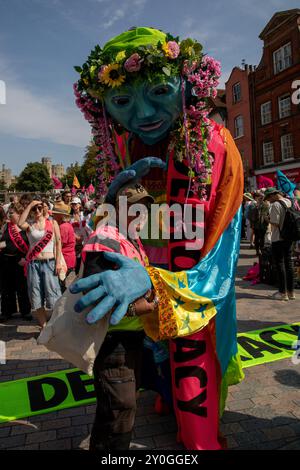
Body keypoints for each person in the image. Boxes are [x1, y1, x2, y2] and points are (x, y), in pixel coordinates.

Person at [70, 27, 244, 450]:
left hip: (187, 280)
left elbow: (213, 257)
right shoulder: (123, 145)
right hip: (143, 281)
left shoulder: (211, 145)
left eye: (160, 91)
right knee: (155, 364)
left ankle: (200, 441)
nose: (144, 113)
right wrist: (111, 208)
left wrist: (154, 280)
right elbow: (121, 223)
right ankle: (166, 399)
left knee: (192, 353)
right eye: (123, 101)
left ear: (187, 85)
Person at [81, 182, 160, 451]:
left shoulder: (130, 239)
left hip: (134, 338)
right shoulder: (105, 238)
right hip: (113, 341)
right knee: (121, 409)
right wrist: (138, 308)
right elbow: (94, 299)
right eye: (136, 209)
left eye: (146, 210)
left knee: (114, 409)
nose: (143, 216)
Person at [18, 199, 63, 328]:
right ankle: (44, 327)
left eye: (39, 208)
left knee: (53, 295)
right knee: (36, 295)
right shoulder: (29, 225)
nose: (37, 211)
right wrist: (31, 204)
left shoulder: (52, 223)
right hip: (34, 264)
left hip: (50, 263)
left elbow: (59, 243)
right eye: (34, 209)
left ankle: (56, 325)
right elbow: (20, 223)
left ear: (44, 208)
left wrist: (58, 262)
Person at [0, 203, 32, 321]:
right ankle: (7, 311)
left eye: (12, 212)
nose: (9, 214)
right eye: (9, 212)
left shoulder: (26, 227)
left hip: (20, 261)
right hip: (5, 260)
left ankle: (25, 311)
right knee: (6, 288)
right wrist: (2, 245)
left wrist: (26, 258)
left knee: (22, 287)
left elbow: (31, 244)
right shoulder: (5, 227)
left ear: (19, 214)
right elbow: (2, 241)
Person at [264, 187, 295, 301]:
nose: (268, 200)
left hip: (278, 238)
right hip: (289, 237)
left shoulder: (276, 205)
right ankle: (291, 292)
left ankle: (283, 292)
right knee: (289, 263)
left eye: (268, 198)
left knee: (280, 265)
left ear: (273, 195)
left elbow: (275, 223)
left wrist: (267, 219)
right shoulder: (290, 201)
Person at [52, 205, 76, 292]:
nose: (53, 216)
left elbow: (59, 245)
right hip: (67, 257)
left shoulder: (63, 227)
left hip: (65, 259)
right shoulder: (65, 225)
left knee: (60, 285)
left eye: (54, 214)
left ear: (60, 216)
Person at [70, 196, 92, 274]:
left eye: (75, 204)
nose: (74, 206)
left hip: (85, 241)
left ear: (79, 205)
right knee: (77, 262)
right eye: (72, 204)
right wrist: (75, 236)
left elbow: (89, 227)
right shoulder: (70, 217)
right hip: (75, 242)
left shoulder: (85, 215)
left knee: (84, 261)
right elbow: (69, 229)